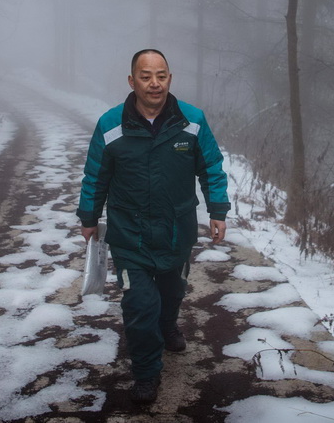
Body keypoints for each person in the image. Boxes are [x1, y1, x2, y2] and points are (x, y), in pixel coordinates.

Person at [77, 49, 230, 404]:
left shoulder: (192, 121)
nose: (154, 83)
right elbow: (95, 176)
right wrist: (89, 217)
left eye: (161, 75)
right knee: (140, 305)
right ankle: (147, 372)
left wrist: (218, 209)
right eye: (146, 76)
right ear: (132, 82)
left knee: (173, 290)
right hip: (129, 234)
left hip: (177, 230)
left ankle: (167, 323)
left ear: (170, 79)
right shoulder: (110, 125)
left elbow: (211, 167)